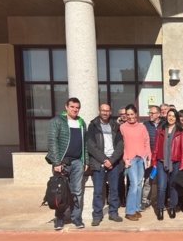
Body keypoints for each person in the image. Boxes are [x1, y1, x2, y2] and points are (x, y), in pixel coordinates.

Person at [46, 97, 89, 230]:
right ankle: (59, 218)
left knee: (76, 191)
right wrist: (56, 162)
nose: (75, 109)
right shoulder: (57, 121)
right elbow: (52, 142)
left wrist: (85, 160)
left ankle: (76, 217)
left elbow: (85, 143)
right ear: (66, 107)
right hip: (62, 163)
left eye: (77, 107)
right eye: (72, 107)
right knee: (60, 191)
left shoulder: (81, 123)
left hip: (77, 162)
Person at [87, 104, 124, 226]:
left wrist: (112, 160)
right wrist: (104, 160)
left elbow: (120, 145)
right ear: (99, 111)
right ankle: (97, 215)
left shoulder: (115, 126)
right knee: (98, 190)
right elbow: (91, 146)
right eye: (103, 110)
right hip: (99, 162)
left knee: (114, 189)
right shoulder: (93, 126)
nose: (105, 112)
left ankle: (113, 213)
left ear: (110, 112)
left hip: (113, 162)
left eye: (107, 111)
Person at [151, 109, 183, 220]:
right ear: (166, 117)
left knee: (173, 186)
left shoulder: (180, 132)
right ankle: (160, 208)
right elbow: (156, 146)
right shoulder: (160, 129)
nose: (171, 118)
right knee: (162, 186)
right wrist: (154, 161)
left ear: (176, 118)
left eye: (173, 116)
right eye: (169, 115)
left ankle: (172, 207)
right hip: (161, 161)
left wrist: (182, 164)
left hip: (175, 162)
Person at [120, 104, 151, 221]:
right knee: (133, 185)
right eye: (127, 115)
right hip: (130, 159)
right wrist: (125, 158)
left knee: (139, 184)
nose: (130, 117)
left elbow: (146, 142)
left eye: (132, 114)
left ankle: (136, 208)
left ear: (136, 114)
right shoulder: (122, 127)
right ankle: (129, 211)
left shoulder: (142, 127)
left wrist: (148, 157)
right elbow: (121, 145)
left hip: (141, 158)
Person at [140, 106, 164, 211]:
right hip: (149, 158)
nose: (150, 115)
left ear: (159, 114)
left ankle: (160, 203)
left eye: (152, 113)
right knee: (148, 180)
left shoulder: (165, 124)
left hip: (162, 158)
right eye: (149, 113)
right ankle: (145, 201)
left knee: (162, 182)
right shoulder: (145, 125)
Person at [117, 106, 128, 206]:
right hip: (120, 157)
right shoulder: (116, 126)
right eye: (121, 114)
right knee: (120, 178)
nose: (123, 116)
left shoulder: (131, 125)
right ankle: (121, 198)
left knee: (130, 178)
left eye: (125, 114)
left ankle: (129, 198)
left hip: (130, 155)